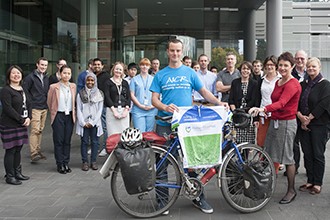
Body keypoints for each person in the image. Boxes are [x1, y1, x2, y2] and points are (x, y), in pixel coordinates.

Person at [150, 38, 227, 214]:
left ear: (182, 52)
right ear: (167, 52)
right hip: (164, 123)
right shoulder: (160, 74)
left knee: (192, 161)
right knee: (162, 164)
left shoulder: (190, 73)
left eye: (178, 51)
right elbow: (154, 99)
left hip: (186, 124)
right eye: (172, 51)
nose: (175, 54)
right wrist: (164, 107)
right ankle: (162, 203)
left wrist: (217, 103)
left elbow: (204, 92)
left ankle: (198, 198)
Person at [249, 52, 302, 204]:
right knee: (270, 153)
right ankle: (267, 185)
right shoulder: (279, 82)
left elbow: (282, 103)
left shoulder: (293, 84)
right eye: (281, 65)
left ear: (292, 66)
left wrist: (262, 109)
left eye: (286, 65)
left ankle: (291, 190)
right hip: (275, 121)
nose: (283, 68)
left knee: (287, 158)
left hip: (286, 123)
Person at [297, 57, 330, 195]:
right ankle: (310, 180)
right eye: (309, 66)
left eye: (314, 67)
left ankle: (317, 183)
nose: (311, 69)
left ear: (319, 68)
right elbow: (296, 102)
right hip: (303, 123)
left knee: (317, 154)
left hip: (319, 124)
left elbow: (323, 104)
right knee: (307, 153)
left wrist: (308, 119)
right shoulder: (303, 84)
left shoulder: (326, 85)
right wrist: (300, 117)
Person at [0, 65, 31, 185]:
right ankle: (10, 176)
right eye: (13, 73)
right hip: (9, 124)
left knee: (18, 149)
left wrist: (29, 118)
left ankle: (18, 172)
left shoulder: (23, 89)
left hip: (21, 123)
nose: (16, 75)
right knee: (11, 150)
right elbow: (8, 108)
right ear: (9, 75)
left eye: (18, 73)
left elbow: (29, 103)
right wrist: (21, 119)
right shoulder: (6, 90)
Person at [47, 65, 76, 174]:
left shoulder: (73, 86)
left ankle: (66, 162)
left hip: (69, 116)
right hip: (58, 115)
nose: (66, 75)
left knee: (67, 140)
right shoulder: (53, 87)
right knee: (58, 140)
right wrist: (54, 111)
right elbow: (49, 102)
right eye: (64, 73)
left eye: (69, 73)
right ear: (60, 74)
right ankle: (60, 163)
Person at [255, 55, 282, 174]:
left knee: (275, 143)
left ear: (276, 66)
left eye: (272, 65)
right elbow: (257, 98)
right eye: (268, 65)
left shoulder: (281, 80)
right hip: (262, 115)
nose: (269, 67)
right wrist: (256, 117)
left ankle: (274, 169)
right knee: (261, 142)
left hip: (276, 115)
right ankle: (262, 166)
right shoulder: (261, 80)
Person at [285, 50, 308, 176]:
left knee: (307, 145)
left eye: (302, 59)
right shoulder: (290, 74)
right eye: (297, 58)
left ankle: (310, 171)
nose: (299, 61)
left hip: (306, 115)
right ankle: (295, 166)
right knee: (293, 144)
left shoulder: (311, 73)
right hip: (293, 114)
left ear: (306, 59)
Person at [23, 57, 49, 162]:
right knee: (34, 130)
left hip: (44, 107)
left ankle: (38, 150)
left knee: (40, 130)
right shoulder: (30, 77)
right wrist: (30, 103)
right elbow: (25, 91)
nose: (43, 67)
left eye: (45, 65)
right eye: (42, 65)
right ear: (37, 65)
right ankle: (33, 153)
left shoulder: (46, 77)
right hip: (35, 107)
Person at [76, 72, 104, 171]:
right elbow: (78, 108)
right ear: (85, 81)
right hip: (84, 122)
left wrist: (93, 122)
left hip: (95, 123)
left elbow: (100, 109)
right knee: (84, 142)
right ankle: (85, 162)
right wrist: (83, 122)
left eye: (92, 80)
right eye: (88, 80)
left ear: (95, 81)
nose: (90, 82)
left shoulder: (99, 93)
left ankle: (93, 161)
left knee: (95, 142)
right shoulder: (80, 93)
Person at [228, 61, 258, 144]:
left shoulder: (254, 83)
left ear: (250, 71)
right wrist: (235, 111)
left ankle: (245, 157)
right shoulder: (235, 82)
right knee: (236, 142)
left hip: (248, 115)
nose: (245, 71)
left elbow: (255, 100)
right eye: (244, 68)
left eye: (248, 69)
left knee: (247, 143)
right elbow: (231, 99)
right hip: (237, 114)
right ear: (240, 70)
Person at [130, 58, 157, 132]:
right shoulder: (134, 79)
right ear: (139, 66)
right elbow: (132, 95)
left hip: (151, 109)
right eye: (142, 65)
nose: (144, 67)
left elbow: (157, 94)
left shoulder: (154, 79)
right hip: (138, 110)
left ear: (149, 66)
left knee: (150, 134)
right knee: (140, 133)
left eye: (147, 65)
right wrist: (140, 105)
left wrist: (153, 106)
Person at [104, 62, 131, 137]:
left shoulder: (125, 83)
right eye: (116, 69)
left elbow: (128, 97)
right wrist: (114, 111)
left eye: (120, 69)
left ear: (122, 71)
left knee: (124, 135)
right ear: (113, 70)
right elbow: (107, 97)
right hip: (112, 111)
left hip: (124, 111)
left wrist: (126, 110)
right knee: (112, 135)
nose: (118, 71)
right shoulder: (108, 82)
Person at [93, 58, 109, 157]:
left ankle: (105, 147)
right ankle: (95, 147)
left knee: (104, 126)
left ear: (102, 66)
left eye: (99, 64)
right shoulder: (92, 76)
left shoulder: (106, 76)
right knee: (94, 126)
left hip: (103, 105)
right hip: (93, 105)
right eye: (95, 64)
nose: (97, 66)